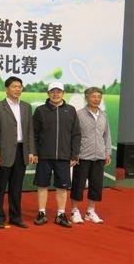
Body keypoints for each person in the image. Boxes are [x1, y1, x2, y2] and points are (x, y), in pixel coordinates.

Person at [32, 81, 81, 227]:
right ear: (48, 94)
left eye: (58, 91)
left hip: (64, 156)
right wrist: (34, 152)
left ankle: (60, 214)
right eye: (52, 91)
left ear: (63, 93)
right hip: (44, 156)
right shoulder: (40, 110)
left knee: (62, 187)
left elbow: (76, 134)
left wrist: (74, 154)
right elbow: (34, 133)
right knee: (42, 185)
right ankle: (41, 213)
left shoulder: (71, 110)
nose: (55, 94)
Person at [0, 76, 36, 229]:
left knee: (16, 188)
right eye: (14, 86)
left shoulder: (26, 107)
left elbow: (30, 130)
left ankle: (15, 217)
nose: (17, 89)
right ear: (7, 89)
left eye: (19, 86)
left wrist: (31, 150)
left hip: (21, 151)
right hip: (4, 152)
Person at [70, 87, 112, 224]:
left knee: (96, 185)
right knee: (78, 184)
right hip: (82, 156)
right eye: (93, 96)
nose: (96, 99)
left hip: (99, 156)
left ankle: (90, 212)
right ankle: (74, 211)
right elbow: (73, 135)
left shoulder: (103, 115)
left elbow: (107, 135)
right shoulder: (79, 115)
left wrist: (107, 152)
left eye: (99, 97)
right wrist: (74, 153)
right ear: (86, 98)